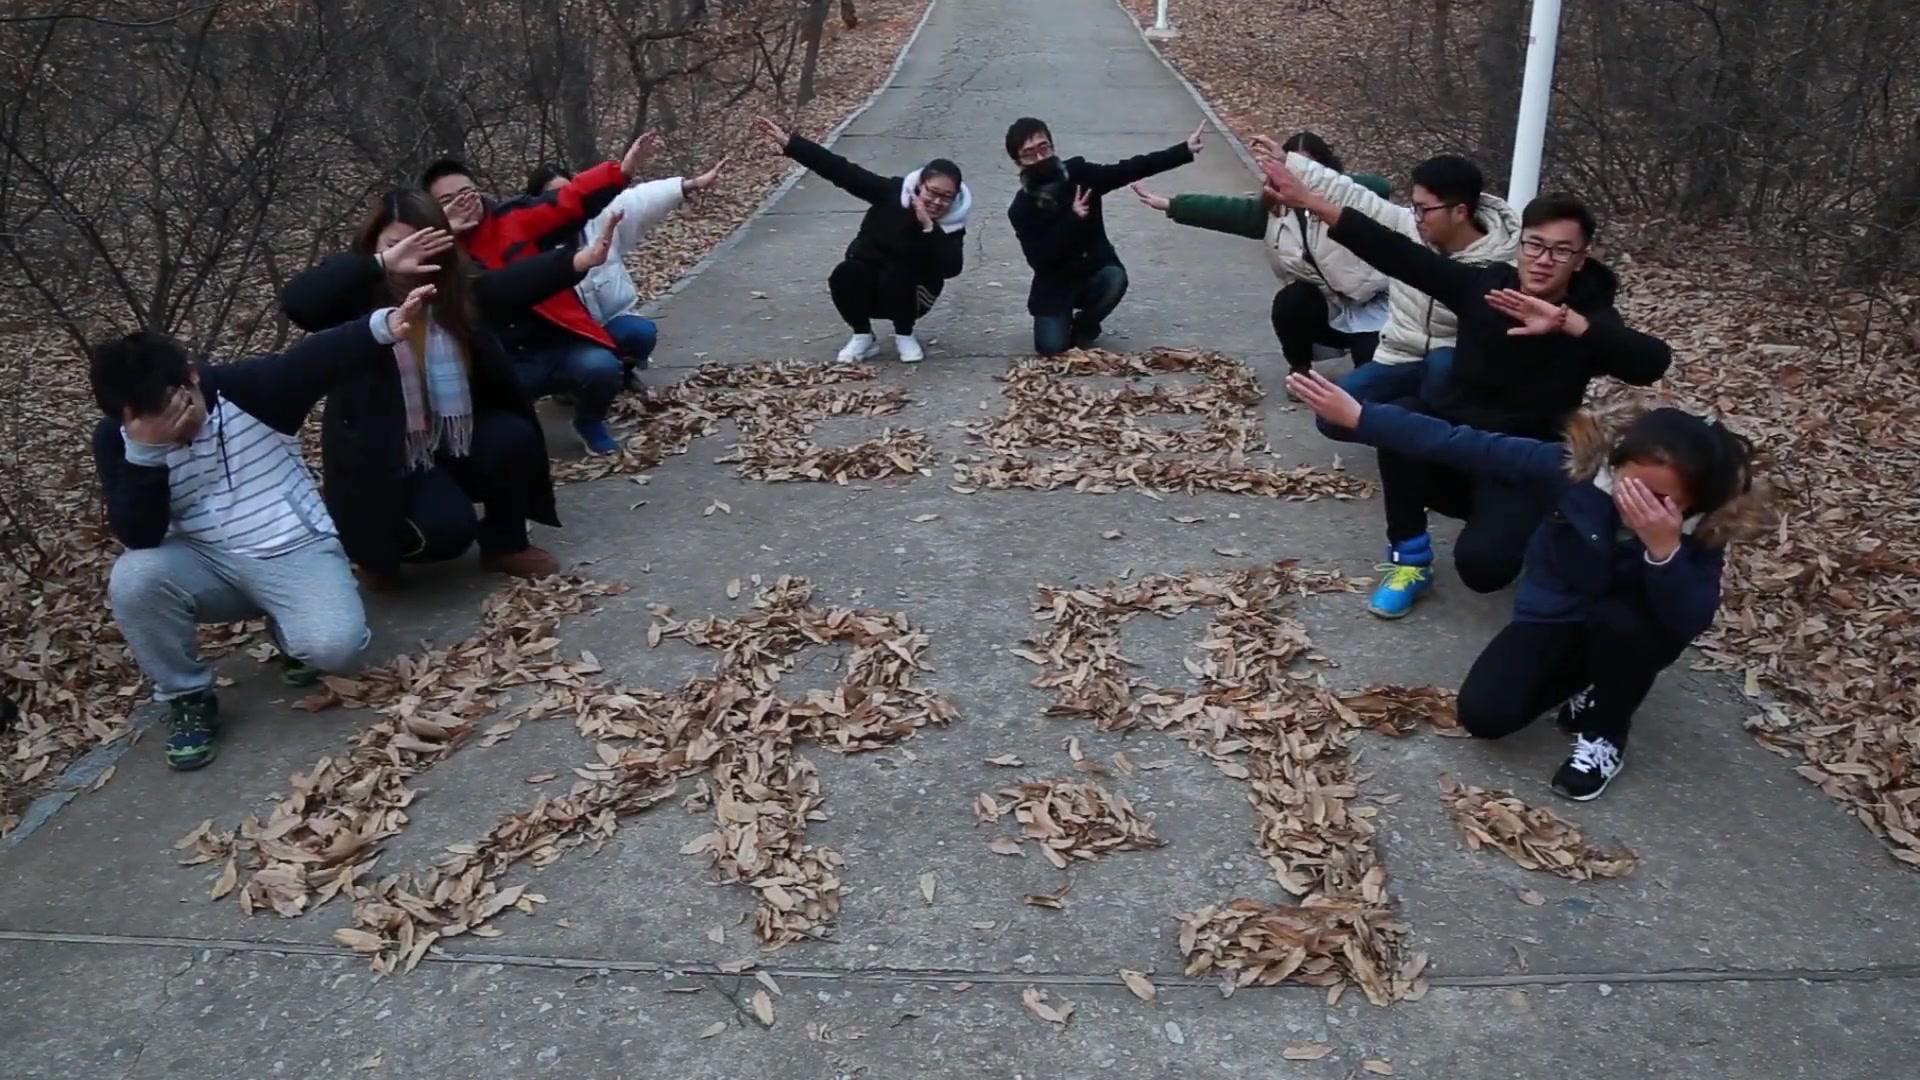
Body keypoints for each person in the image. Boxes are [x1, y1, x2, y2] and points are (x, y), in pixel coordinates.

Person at [1288, 370, 1761, 800]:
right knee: (1485, 715)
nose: (1634, 503)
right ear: (1613, 466)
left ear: (1694, 500)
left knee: (1627, 626)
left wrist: (1665, 551)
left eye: (1659, 498)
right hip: (1557, 613)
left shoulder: (1703, 529)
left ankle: (1606, 729)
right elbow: (1462, 443)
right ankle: (1587, 677)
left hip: (1634, 630)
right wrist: (1361, 417)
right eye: (1628, 485)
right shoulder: (1572, 473)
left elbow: (1690, 618)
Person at [1265, 161, 1674, 619]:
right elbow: (1398, 253)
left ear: (1581, 258)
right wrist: (1309, 202)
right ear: (1520, 246)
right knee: (1398, 421)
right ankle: (1410, 560)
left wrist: (1568, 324)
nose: (1543, 260)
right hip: (1456, 437)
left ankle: (1546, 521)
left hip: (1520, 458)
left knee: (1484, 570)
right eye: (1535, 245)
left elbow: (1651, 362)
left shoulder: (1590, 318)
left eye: (1561, 251)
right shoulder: (1488, 287)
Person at [89, 292, 433, 770]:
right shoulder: (119, 440)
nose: (168, 426)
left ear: (190, 378)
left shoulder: (245, 390)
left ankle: (290, 632)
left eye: (172, 409)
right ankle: (187, 695)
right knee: (133, 576)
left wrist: (384, 324)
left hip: (292, 546)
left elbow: (310, 361)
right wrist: (147, 455)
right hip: (206, 562)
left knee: (335, 648)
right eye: (144, 420)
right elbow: (139, 534)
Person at [282, 189, 620, 589]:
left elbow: (508, 285)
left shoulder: (453, 291)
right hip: (386, 453)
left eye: (423, 244)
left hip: (447, 436)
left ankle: (504, 544)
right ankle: (373, 546)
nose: (410, 256)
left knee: (513, 435)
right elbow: (299, 303)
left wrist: (577, 260)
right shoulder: (351, 298)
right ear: (374, 244)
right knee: (446, 533)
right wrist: (381, 265)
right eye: (396, 245)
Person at [421, 132, 658, 454]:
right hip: (502, 357)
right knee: (497, 420)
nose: (463, 202)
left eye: (468, 192)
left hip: (557, 339)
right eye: (448, 200)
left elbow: (567, 200)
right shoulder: (433, 254)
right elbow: (471, 295)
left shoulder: (512, 218)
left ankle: (588, 420)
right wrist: (448, 240)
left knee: (601, 366)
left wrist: (620, 171)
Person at [1257, 145, 1518, 413]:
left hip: (1454, 367)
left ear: (1459, 212)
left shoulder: (1504, 265)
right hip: (1399, 355)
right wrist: (1291, 164)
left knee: (1439, 370)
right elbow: (1352, 196)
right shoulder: (1409, 226)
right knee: (1334, 413)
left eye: (1424, 209)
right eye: (1413, 206)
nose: (1416, 217)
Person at [1130, 131, 1394, 377]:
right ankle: (1301, 370)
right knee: (1291, 300)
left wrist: (1312, 176)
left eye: (1306, 166)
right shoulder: (1275, 211)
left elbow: (1380, 187)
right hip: (1325, 307)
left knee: (1371, 382)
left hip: (1371, 308)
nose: (1297, 176)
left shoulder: (1352, 199)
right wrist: (1170, 204)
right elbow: (1224, 211)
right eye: (1290, 169)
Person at [754, 117, 971, 364]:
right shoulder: (892, 192)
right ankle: (862, 335)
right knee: (846, 273)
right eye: (932, 192)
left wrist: (929, 227)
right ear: (920, 186)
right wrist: (792, 144)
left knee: (899, 271)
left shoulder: (952, 223)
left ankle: (904, 334)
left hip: (914, 295)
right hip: (869, 281)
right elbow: (842, 171)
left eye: (946, 197)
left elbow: (952, 269)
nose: (937, 201)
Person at [1005, 116, 1205, 355]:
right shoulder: (1021, 207)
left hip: (1094, 271)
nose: (1040, 158)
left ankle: (1085, 326)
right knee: (1051, 348)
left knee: (1114, 278)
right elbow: (1040, 260)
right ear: (1018, 162)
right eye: (1029, 154)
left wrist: (1183, 151)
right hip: (1055, 285)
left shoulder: (1080, 175)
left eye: (1043, 148)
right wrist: (1072, 219)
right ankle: (1061, 323)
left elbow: (1128, 169)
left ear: (1052, 146)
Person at [524, 154, 730, 382]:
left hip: (609, 321)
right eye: (553, 196)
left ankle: (623, 371)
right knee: (595, 364)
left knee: (640, 334)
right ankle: (572, 386)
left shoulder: (598, 218)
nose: (561, 201)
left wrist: (689, 185)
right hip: (567, 338)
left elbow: (639, 200)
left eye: (566, 192)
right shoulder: (529, 244)